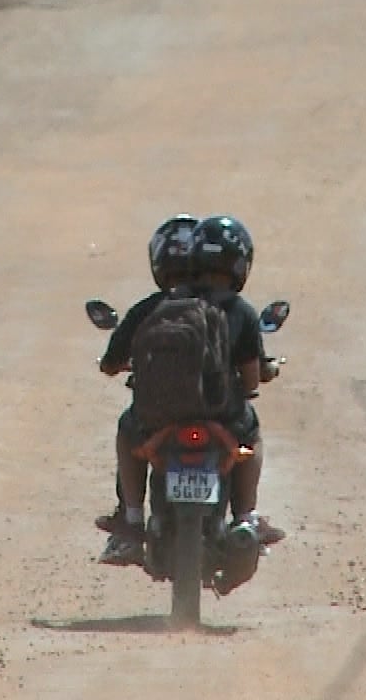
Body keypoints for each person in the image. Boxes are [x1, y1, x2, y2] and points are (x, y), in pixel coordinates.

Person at [97, 214, 283, 567]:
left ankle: (132, 521)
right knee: (252, 436)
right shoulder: (239, 310)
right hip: (222, 415)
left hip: (158, 414)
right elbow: (251, 378)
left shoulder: (156, 305)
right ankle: (245, 517)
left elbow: (113, 358)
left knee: (127, 430)